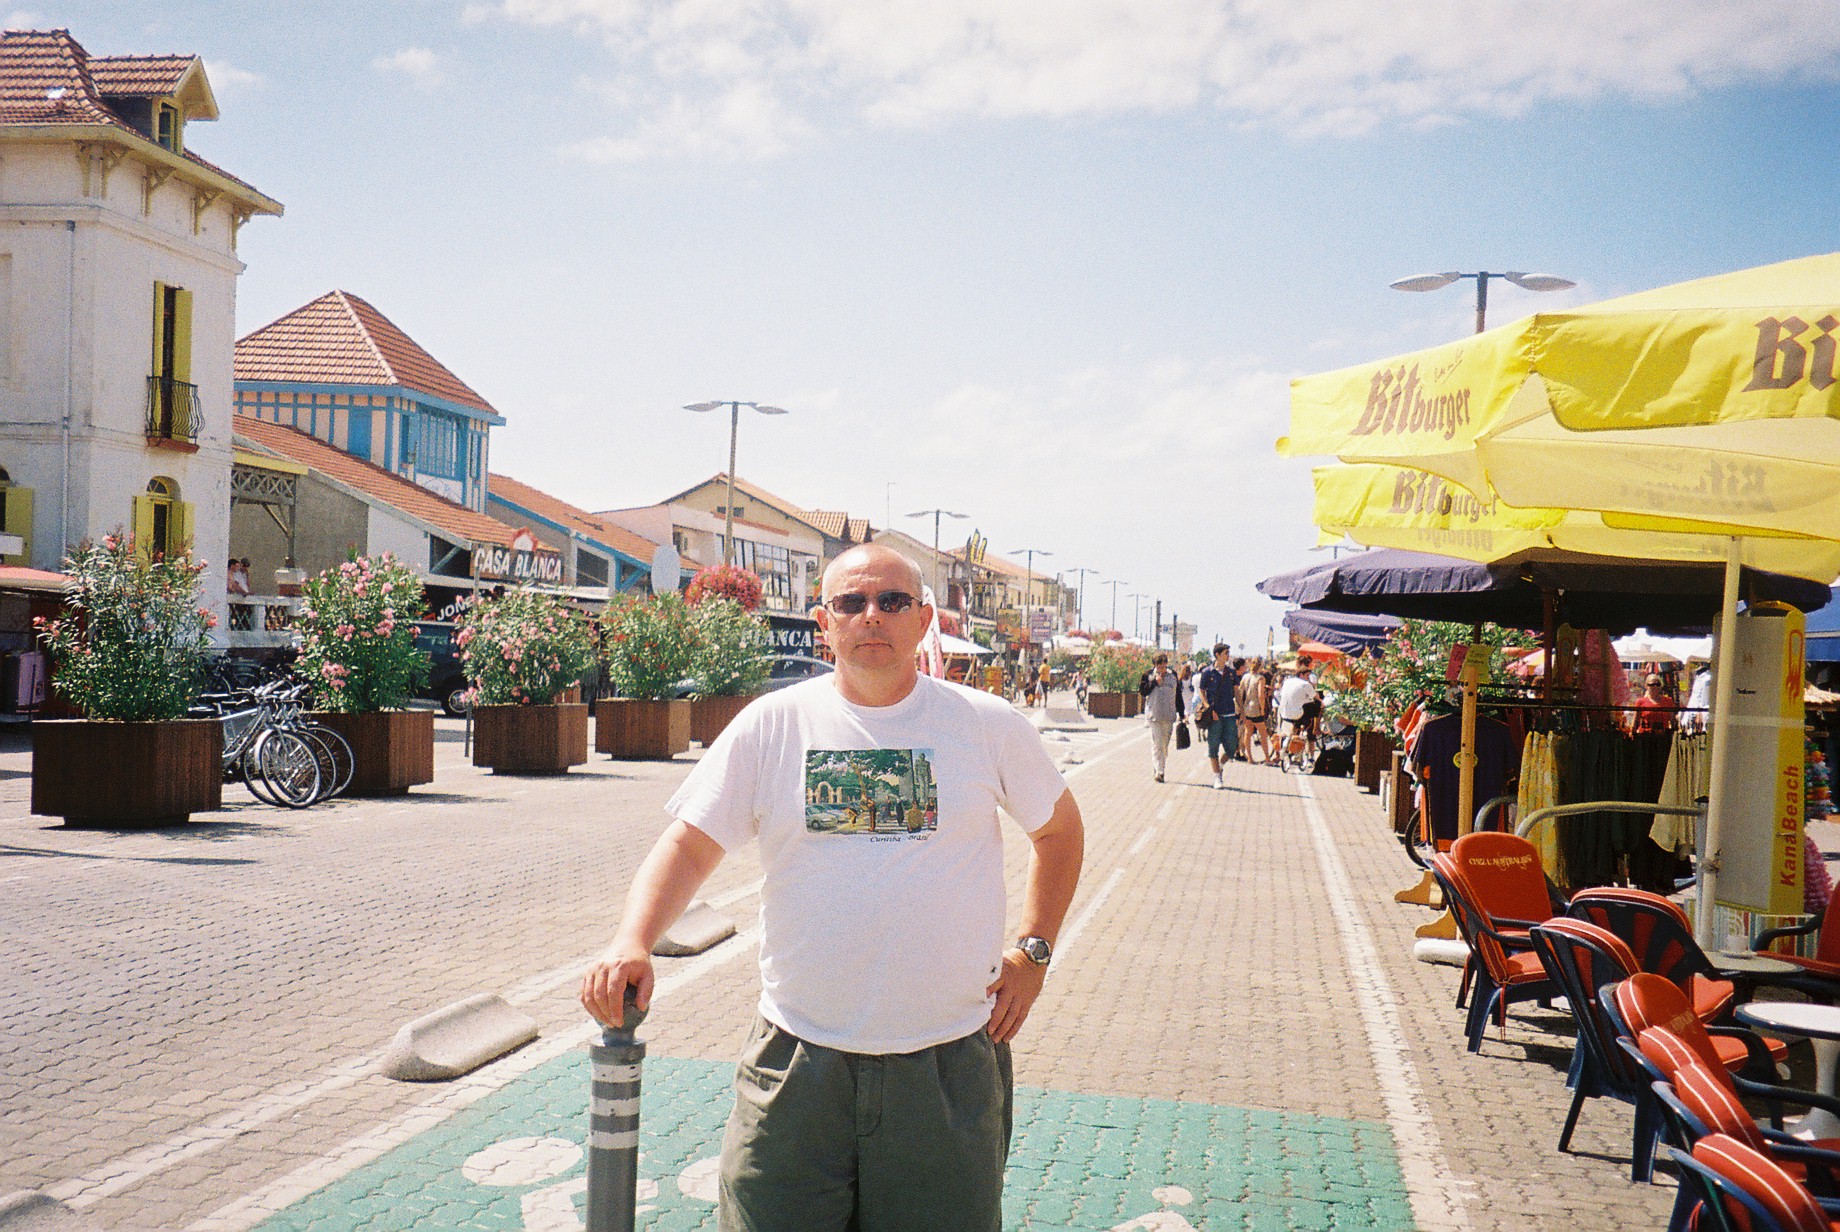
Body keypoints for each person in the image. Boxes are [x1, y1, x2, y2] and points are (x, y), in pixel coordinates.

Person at [580, 544, 1084, 1231]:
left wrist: (1035, 955)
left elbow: (1059, 833)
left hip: (945, 1066)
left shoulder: (986, 725)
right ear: (825, 622)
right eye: (851, 603)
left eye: (892, 602)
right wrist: (632, 940)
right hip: (797, 1064)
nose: (871, 616)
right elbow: (690, 844)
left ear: (924, 618)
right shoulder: (772, 724)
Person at [1194, 644, 1239, 789]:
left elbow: (1236, 692)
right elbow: (1201, 690)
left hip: (1230, 713)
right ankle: (1217, 776)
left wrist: (1242, 710)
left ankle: (1220, 765)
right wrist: (1207, 707)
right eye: (1226, 653)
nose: (1228, 655)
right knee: (1213, 746)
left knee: (1232, 747)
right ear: (1217, 654)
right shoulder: (1208, 672)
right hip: (1214, 715)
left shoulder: (1231, 672)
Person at [1138, 652, 1186, 783]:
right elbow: (1142, 691)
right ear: (1155, 665)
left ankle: (1159, 766)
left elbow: (1178, 696)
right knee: (1157, 744)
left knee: (1164, 745)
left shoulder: (1173, 676)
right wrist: (1154, 683)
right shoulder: (1148, 675)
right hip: (1154, 716)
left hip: (1169, 716)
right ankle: (1160, 771)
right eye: (1160, 667)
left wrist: (1182, 714)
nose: (1162, 670)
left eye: (1164, 666)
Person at [1276, 663, 1320, 768]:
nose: (1308, 678)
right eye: (1307, 675)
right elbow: (1316, 696)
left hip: (1283, 713)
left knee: (1292, 728)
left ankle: (1291, 741)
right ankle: (1312, 729)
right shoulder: (1305, 684)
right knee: (1316, 707)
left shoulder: (1287, 681)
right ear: (1301, 674)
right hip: (1297, 714)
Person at [1235, 659, 1272, 766]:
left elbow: (1240, 691)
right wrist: (1262, 708)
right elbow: (1260, 694)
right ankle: (1267, 758)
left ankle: (1250, 758)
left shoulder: (1245, 677)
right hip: (1255, 708)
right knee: (1263, 734)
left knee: (1248, 732)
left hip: (1246, 708)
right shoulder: (1260, 678)